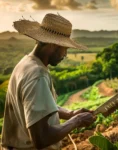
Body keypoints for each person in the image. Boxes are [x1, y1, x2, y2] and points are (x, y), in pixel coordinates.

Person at [1, 13, 96, 150]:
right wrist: (76, 121)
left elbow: (40, 108)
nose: (65, 55)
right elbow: (41, 138)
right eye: (65, 48)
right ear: (53, 44)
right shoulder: (37, 75)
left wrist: (70, 114)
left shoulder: (27, 63)